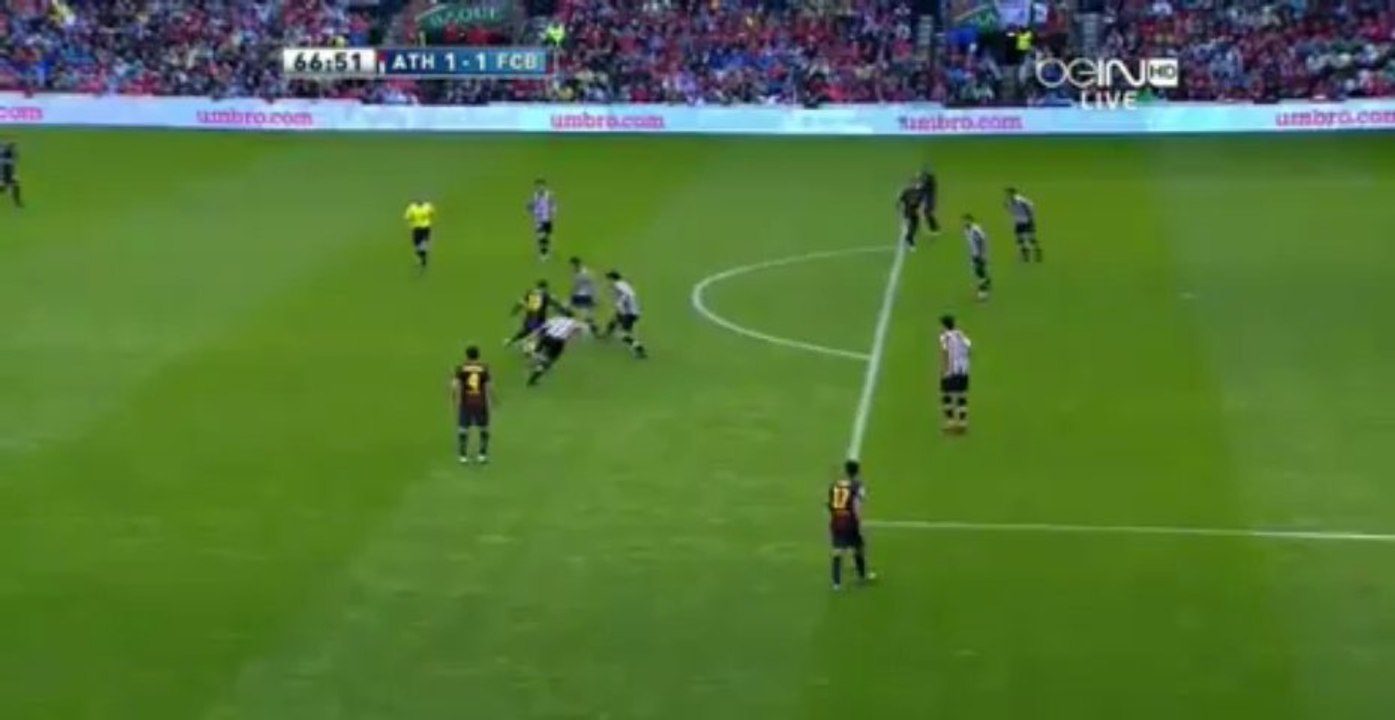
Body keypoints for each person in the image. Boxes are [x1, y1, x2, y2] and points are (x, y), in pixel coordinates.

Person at [829, 460, 875, 590]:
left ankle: (836, 583)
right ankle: (862, 576)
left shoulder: (835, 485)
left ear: (845, 471)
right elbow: (857, 505)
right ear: (857, 471)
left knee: (837, 551)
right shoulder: (857, 486)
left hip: (836, 521)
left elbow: (830, 504)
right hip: (849, 521)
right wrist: (859, 522)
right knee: (858, 547)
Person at [450, 346, 493, 463]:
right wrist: (493, 400)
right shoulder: (484, 368)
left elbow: (455, 385)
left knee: (463, 429)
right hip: (480, 403)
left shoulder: (461, 369)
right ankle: (482, 455)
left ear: (467, 355)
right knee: (484, 429)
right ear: (478, 355)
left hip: (466, 403)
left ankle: (463, 456)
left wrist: (453, 397)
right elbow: (489, 386)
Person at [938, 314, 973, 434]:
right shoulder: (960, 334)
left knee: (946, 395)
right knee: (962, 395)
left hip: (951, 370)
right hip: (964, 370)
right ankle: (963, 423)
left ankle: (950, 422)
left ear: (944, 326)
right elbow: (969, 348)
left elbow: (945, 352)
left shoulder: (945, 337)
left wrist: (944, 370)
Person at [403, 198, 435, 271]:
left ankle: (421, 255)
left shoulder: (412, 207)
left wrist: (412, 219)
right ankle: (423, 254)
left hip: (417, 227)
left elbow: (407, 217)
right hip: (425, 227)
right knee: (423, 242)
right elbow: (432, 213)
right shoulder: (428, 206)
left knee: (417, 243)